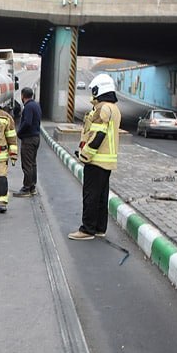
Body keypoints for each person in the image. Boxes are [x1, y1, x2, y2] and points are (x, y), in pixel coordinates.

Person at [69, 73, 121, 240]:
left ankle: (87, 230)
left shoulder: (102, 108)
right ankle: (99, 228)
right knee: (101, 196)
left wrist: (85, 155)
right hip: (107, 161)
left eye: (94, 90)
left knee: (90, 195)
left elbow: (98, 135)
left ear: (99, 90)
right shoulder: (113, 108)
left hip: (96, 160)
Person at [13, 87, 41, 197]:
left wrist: (19, 132)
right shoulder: (36, 105)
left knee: (27, 164)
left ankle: (26, 188)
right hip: (36, 138)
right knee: (33, 164)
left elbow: (27, 122)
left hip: (29, 139)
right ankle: (32, 187)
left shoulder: (28, 107)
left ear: (22, 96)